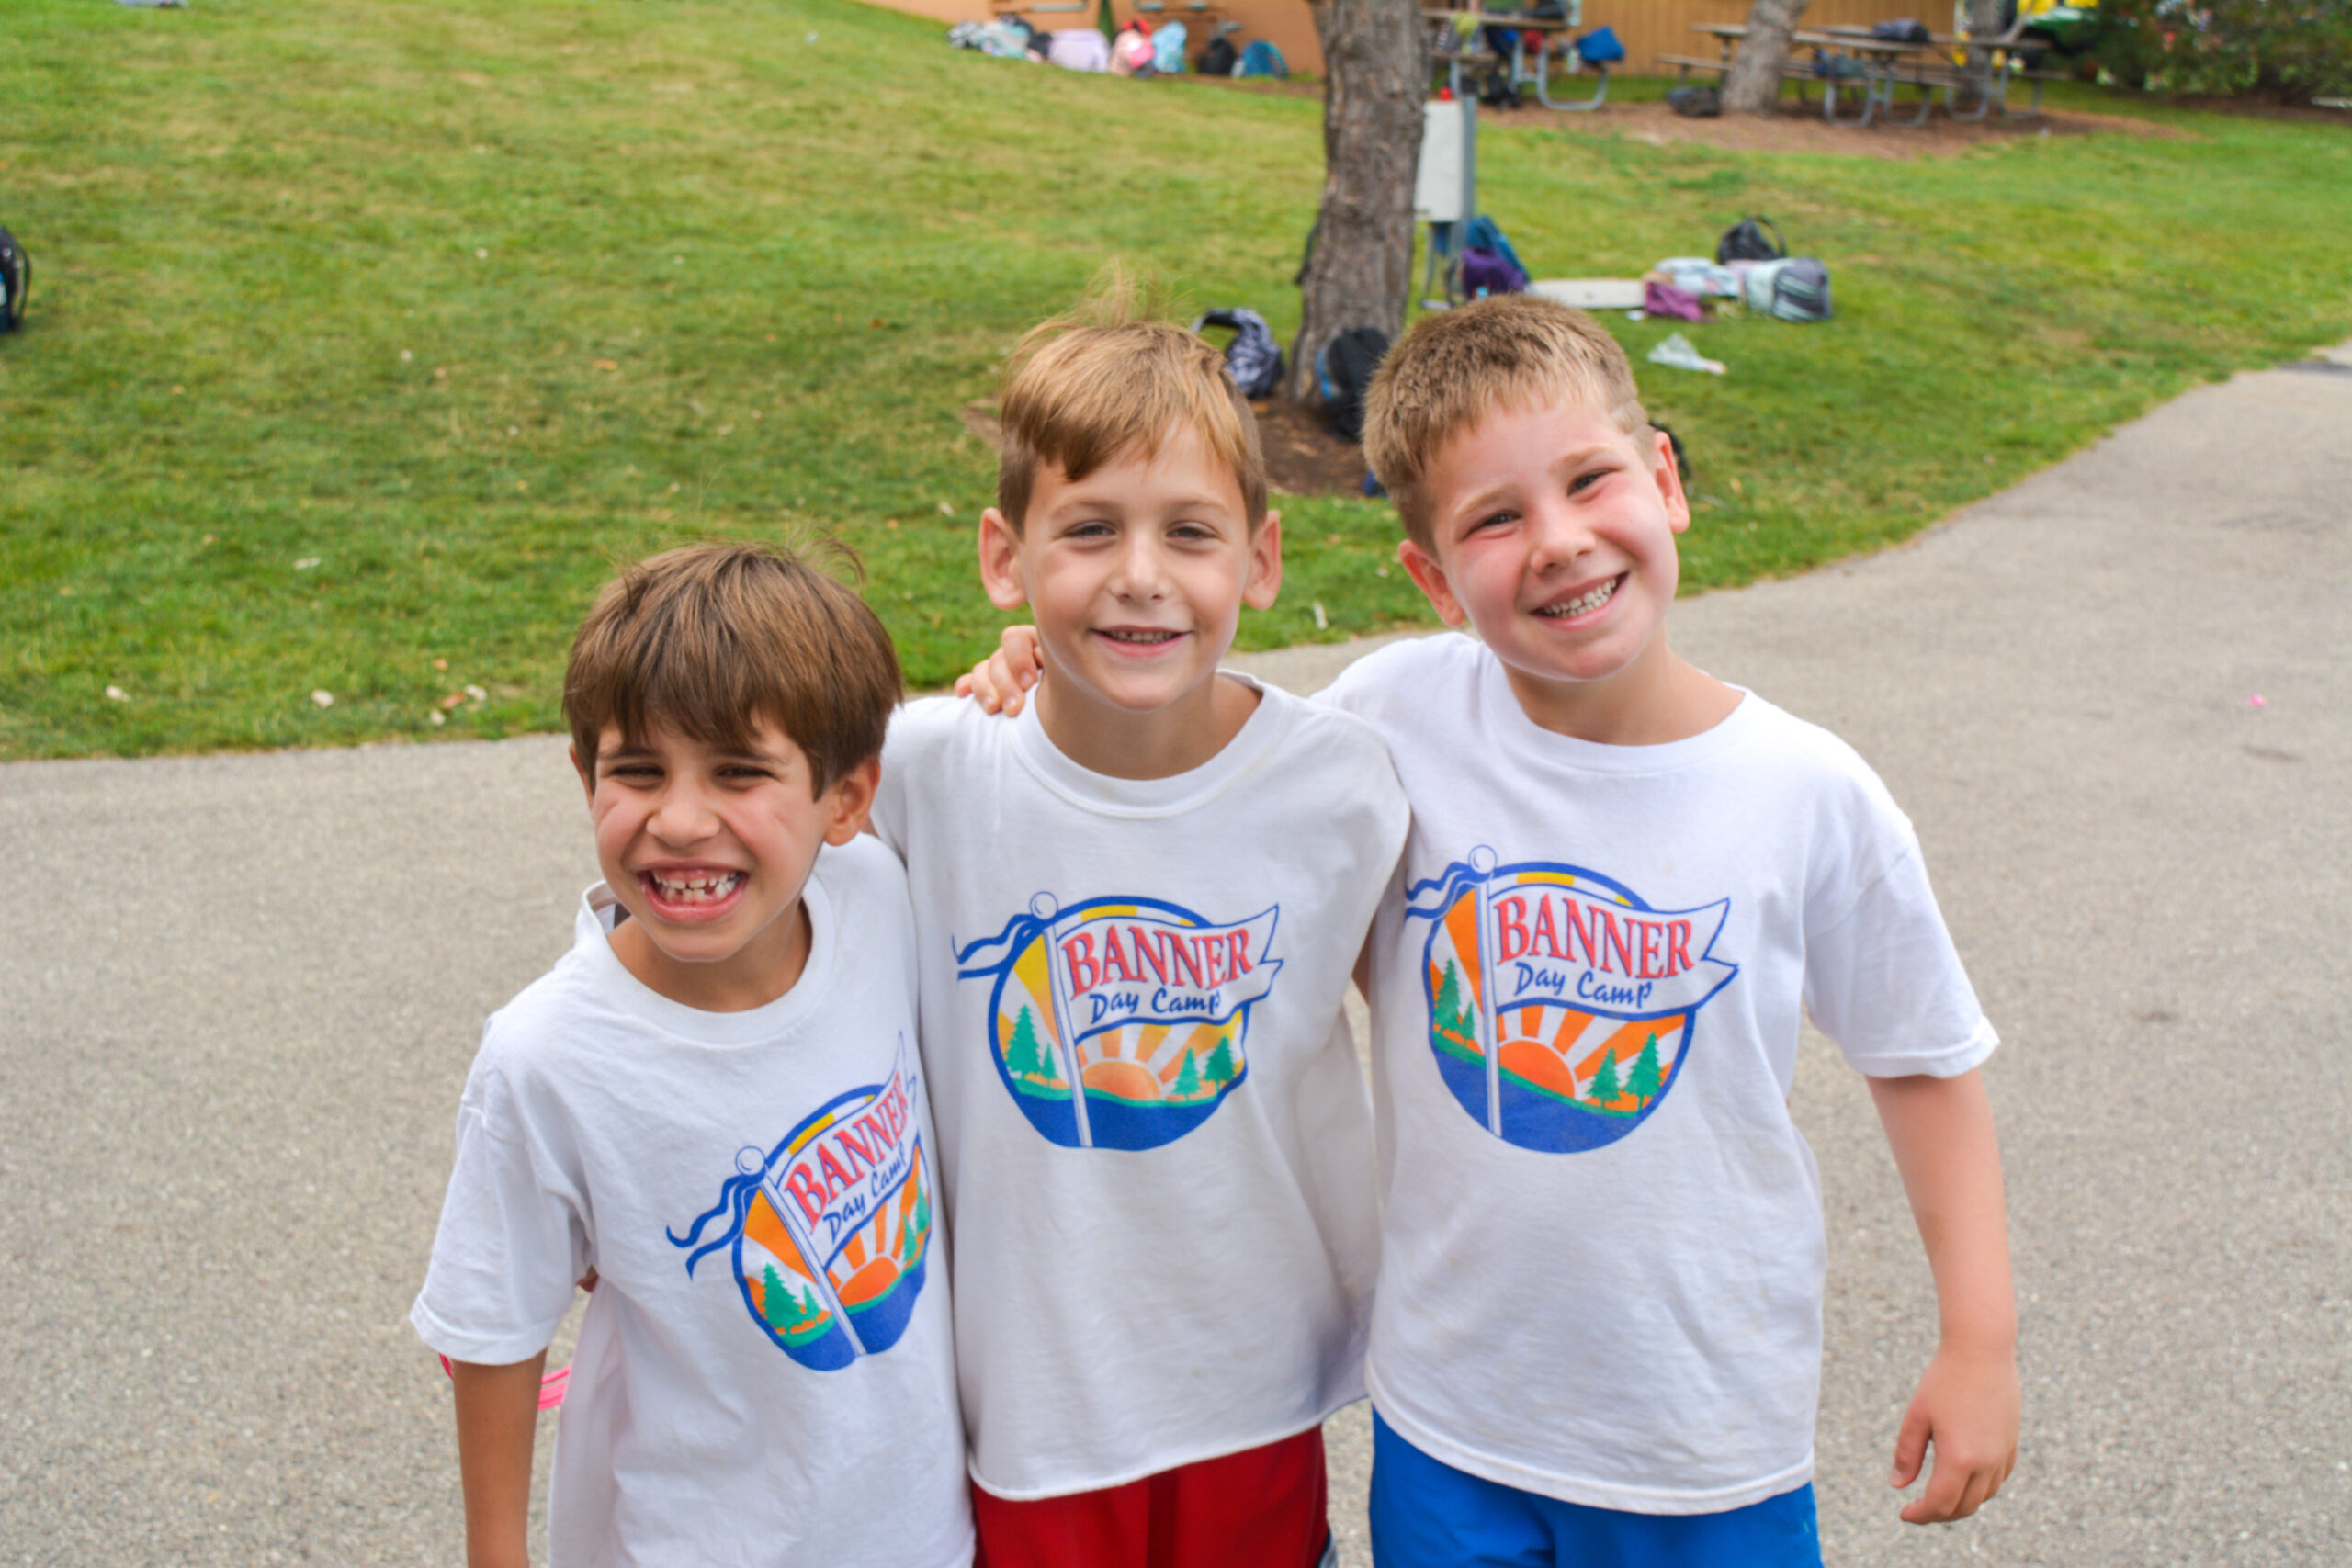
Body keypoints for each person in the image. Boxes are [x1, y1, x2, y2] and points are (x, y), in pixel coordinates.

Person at [966, 294, 2019, 1565]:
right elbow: (1196, 766)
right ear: (1431, 574)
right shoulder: (1389, 721)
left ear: (1666, 478)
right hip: (1450, 1425)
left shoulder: (1808, 790)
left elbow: (1920, 1056)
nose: (1561, 541)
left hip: (1704, 1434)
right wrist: (1039, 660)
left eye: (1589, 480)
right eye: (1495, 518)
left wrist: (1981, 1340)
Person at [870, 297, 1408, 1568]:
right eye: (1091, 529)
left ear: (1261, 560)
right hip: (1022, 1397)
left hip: (1255, 1381)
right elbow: (740, 930)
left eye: (1189, 532)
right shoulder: (920, 773)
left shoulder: (1345, 786)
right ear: (1007, 556)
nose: (1141, 573)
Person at [411, 542, 972, 1568]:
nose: (677, 820)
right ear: (584, 777)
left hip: (923, 1530)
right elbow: (494, 1325)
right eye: (636, 771)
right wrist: (496, 1555)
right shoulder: (547, 1058)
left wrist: (1021, 664)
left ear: (845, 802)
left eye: (739, 773)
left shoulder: (875, 898)